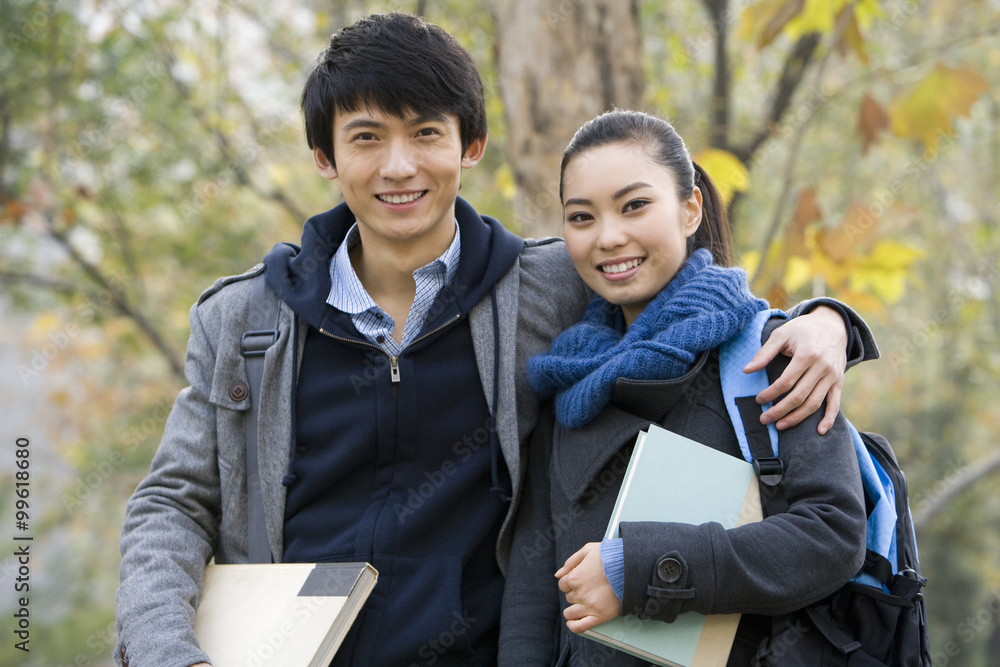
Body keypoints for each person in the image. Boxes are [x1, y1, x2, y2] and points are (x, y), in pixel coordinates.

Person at [115, 14, 876, 667]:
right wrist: (162, 650)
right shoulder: (247, 321)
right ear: (325, 158)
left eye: (425, 133)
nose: (400, 166)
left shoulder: (547, 284)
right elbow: (173, 502)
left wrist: (825, 320)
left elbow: (687, 293)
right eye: (367, 138)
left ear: (470, 144)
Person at [498, 110, 869, 665]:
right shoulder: (570, 375)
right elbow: (532, 592)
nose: (610, 236)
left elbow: (831, 535)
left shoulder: (766, 353)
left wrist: (639, 569)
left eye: (635, 205)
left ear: (690, 209)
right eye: (582, 217)